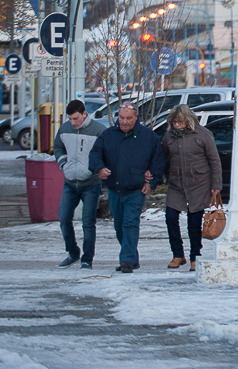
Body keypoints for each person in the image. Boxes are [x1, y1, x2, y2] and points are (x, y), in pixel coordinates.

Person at [88, 102, 164, 273]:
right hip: (114, 188)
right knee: (119, 226)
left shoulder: (148, 137)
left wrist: (151, 183)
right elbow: (95, 153)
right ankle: (132, 257)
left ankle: (127, 260)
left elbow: (158, 162)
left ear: (136, 117)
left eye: (129, 118)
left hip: (136, 189)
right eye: (121, 117)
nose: (124, 121)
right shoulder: (108, 135)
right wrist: (99, 168)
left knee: (130, 223)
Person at [161, 103, 222, 272]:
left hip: (199, 183)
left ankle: (195, 255)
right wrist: (164, 176)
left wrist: (216, 183)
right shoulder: (169, 136)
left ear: (188, 120)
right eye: (174, 122)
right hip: (176, 183)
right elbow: (164, 158)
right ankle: (177, 254)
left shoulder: (203, 134)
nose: (177, 125)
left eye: (180, 122)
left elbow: (214, 160)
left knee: (194, 222)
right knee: (170, 217)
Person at [54, 99, 107, 269]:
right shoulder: (64, 129)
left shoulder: (99, 130)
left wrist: (96, 169)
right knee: (64, 218)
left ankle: (87, 259)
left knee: (88, 222)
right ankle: (73, 252)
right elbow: (58, 147)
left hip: (91, 183)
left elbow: (106, 153)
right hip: (70, 182)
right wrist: (63, 164)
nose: (73, 122)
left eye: (76, 118)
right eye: (70, 119)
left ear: (84, 114)